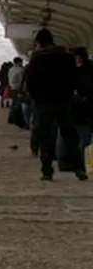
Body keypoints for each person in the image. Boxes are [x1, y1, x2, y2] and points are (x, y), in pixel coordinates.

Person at [23, 29, 86, 181]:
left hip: (44, 104)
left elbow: (30, 83)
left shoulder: (37, 59)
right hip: (63, 103)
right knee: (70, 136)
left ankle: (47, 170)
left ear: (39, 43)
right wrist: (70, 95)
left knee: (46, 137)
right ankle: (79, 168)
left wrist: (37, 99)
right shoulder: (66, 57)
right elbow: (75, 79)